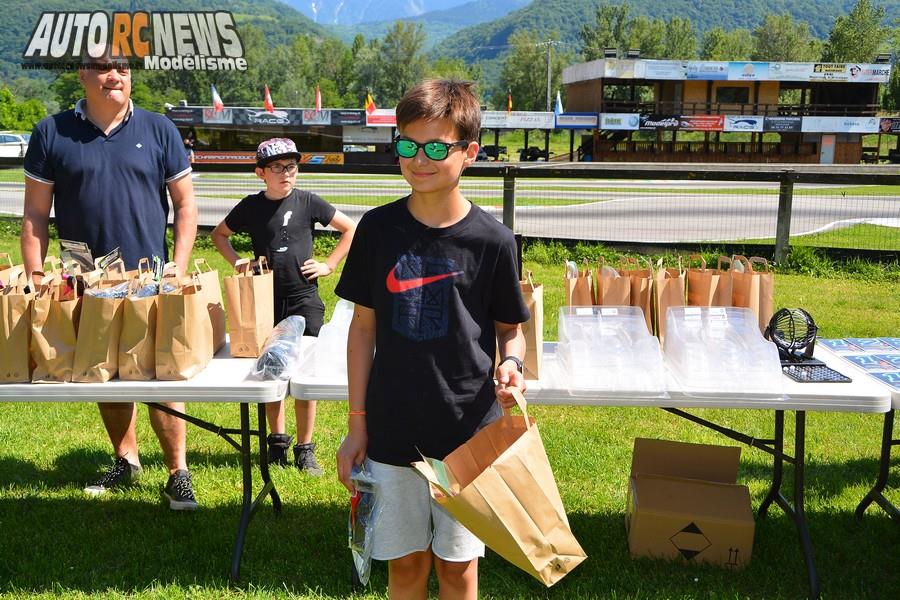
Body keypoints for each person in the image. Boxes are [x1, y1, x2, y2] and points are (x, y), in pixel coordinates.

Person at [335, 79, 529, 599]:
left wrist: (513, 365)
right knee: (405, 567)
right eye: (407, 145)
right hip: (392, 432)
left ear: (469, 153)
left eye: (437, 148)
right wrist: (357, 426)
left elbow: (511, 329)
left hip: (468, 434)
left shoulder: (494, 241)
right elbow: (363, 330)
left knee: (457, 569)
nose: (419, 159)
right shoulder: (376, 231)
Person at [20, 56, 199, 510]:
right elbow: (36, 214)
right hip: (85, 277)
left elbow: (186, 206)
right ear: (81, 74)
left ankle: (178, 470)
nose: (114, 74)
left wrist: (178, 264)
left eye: (122, 66)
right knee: (105, 370)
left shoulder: (159, 129)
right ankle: (127, 458)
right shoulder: (51, 132)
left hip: (150, 276)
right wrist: (38, 273)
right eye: (101, 67)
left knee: (162, 374)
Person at [211, 137, 355, 474]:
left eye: (291, 166)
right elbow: (220, 235)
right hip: (265, 300)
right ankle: (277, 442)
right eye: (277, 167)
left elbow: (349, 229)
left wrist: (329, 264)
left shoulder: (309, 202)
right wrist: (237, 261)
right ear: (260, 172)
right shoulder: (250, 206)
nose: (286, 173)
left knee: (306, 373)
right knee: (270, 368)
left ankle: (305, 448)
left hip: (305, 299)